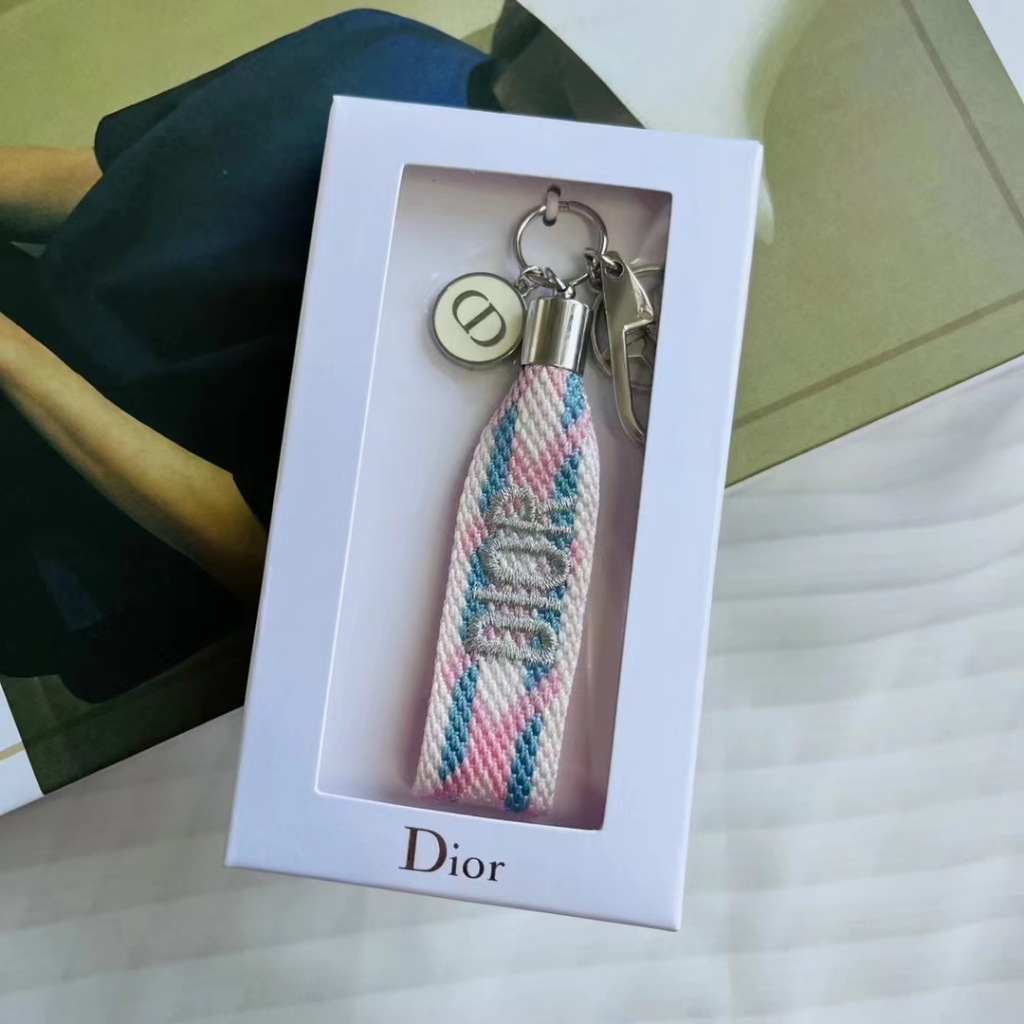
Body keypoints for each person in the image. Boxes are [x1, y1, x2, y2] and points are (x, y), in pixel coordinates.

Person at [0, 9, 498, 702]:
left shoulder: (518, 318)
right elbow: (124, 183)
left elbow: (261, 551)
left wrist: (11, 355)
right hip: (38, 330)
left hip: (93, 540)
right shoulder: (393, 48)